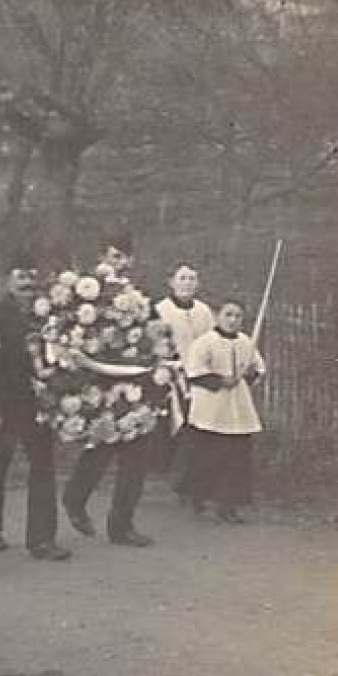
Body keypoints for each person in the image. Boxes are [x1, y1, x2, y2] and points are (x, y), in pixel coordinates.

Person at [62, 234, 156, 547]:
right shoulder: (85, 292)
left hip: (134, 382)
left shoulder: (138, 297)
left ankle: (122, 526)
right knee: (100, 449)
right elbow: (73, 336)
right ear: (102, 257)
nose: (121, 263)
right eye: (115, 256)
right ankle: (75, 499)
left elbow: (149, 337)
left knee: (137, 456)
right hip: (98, 383)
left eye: (126, 257)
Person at [0, 258, 71, 561]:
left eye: (32, 277)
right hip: (6, 400)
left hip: (38, 400)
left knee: (43, 463)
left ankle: (42, 538)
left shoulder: (46, 314)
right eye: (20, 277)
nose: (27, 284)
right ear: (7, 280)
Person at [176, 301, 265, 523]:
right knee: (208, 457)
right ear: (218, 316)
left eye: (237, 316)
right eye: (228, 314)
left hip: (238, 409)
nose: (233, 320)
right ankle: (198, 497)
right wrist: (218, 380)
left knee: (236, 458)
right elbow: (194, 372)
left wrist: (250, 374)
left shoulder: (246, 342)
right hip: (211, 409)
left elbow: (258, 367)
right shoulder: (205, 342)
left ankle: (229, 505)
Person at [154, 263, 217, 476]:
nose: (187, 283)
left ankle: (192, 471)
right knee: (173, 419)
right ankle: (166, 467)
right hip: (170, 372)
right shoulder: (161, 309)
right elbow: (156, 341)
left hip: (197, 372)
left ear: (198, 284)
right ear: (171, 282)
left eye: (192, 279)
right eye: (182, 278)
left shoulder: (204, 311)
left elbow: (211, 340)